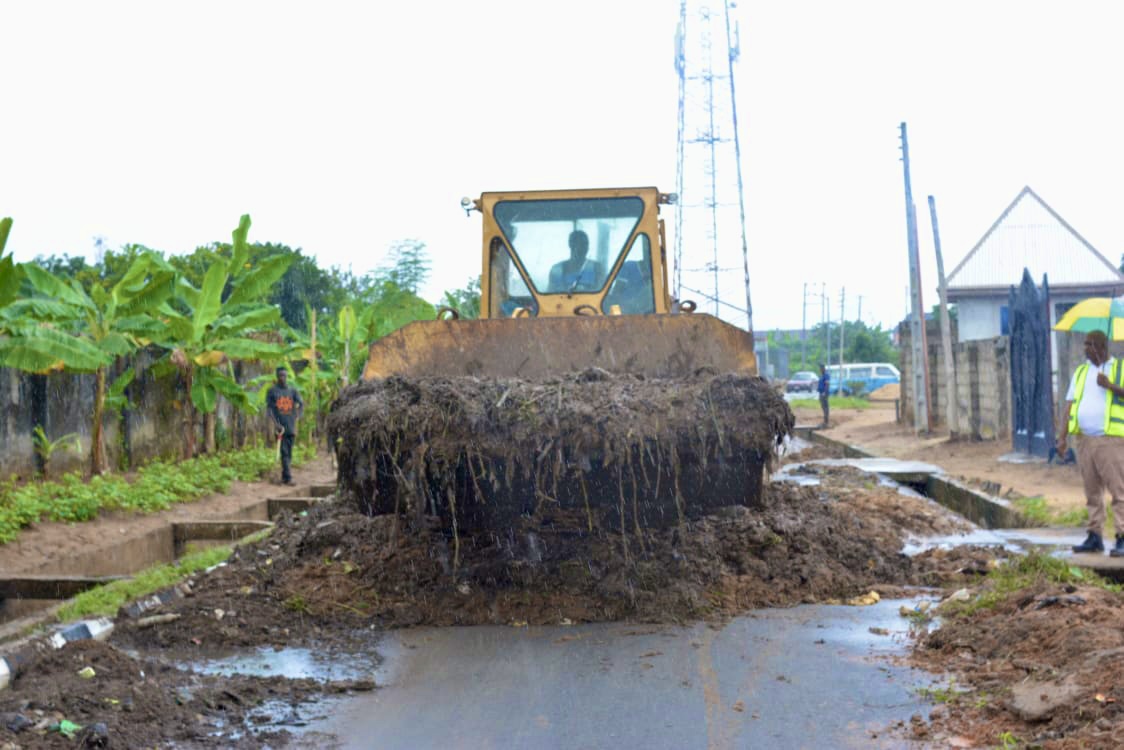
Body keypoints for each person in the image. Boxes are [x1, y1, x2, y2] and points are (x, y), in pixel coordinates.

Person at [1057, 330, 1124, 555]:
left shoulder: (1119, 369)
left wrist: (1110, 386)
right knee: (1092, 492)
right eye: (1084, 344)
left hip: (1111, 440)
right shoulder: (1081, 372)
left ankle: (1122, 536)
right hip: (1084, 440)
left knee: (1119, 490)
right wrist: (1062, 436)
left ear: (1101, 347)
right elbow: (1069, 405)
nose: (1085, 348)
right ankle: (1095, 536)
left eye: (1089, 344)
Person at [267, 366, 304, 486]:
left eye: (284, 375)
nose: (282, 378)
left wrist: (297, 415)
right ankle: (288, 478)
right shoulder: (272, 391)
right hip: (280, 429)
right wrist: (276, 424)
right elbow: (269, 410)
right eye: (280, 375)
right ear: (277, 376)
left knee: (289, 452)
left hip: (291, 427)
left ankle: (284, 476)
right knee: (284, 452)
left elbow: (301, 403)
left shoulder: (292, 391)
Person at [817, 364, 830, 428]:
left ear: (823, 368)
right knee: (823, 407)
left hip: (824, 393)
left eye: (820, 368)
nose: (820, 370)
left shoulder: (826, 375)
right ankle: (825, 421)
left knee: (825, 407)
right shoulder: (822, 375)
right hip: (821, 393)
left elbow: (827, 384)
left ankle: (826, 421)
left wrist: (825, 392)